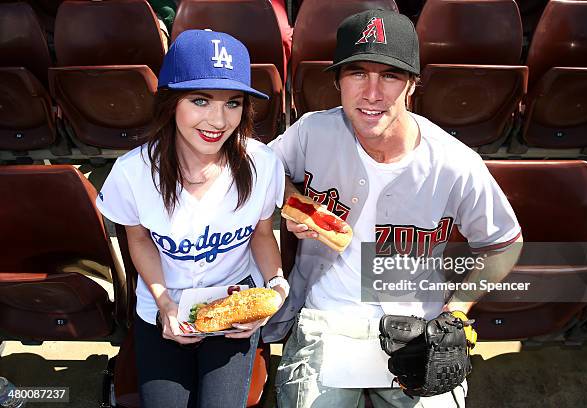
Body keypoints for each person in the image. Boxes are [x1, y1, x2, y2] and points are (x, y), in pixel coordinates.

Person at [263, 9, 523, 408]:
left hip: (420, 326)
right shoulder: (313, 131)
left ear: (412, 85)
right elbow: (261, 172)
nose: (372, 93)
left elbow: (504, 244)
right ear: (337, 82)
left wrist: (456, 311)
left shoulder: (455, 163)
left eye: (389, 75)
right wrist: (297, 205)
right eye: (357, 74)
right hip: (328, 321)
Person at [96, 29, 289, 408]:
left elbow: (263, 235)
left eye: (233, 103)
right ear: (171, 102)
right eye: (200, 100)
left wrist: (276, 287)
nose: (218, 120)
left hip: (233, 303)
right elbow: (137, 240)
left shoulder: (263, 163)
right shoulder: (132, 172)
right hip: (163, 307)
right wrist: (165, 303)